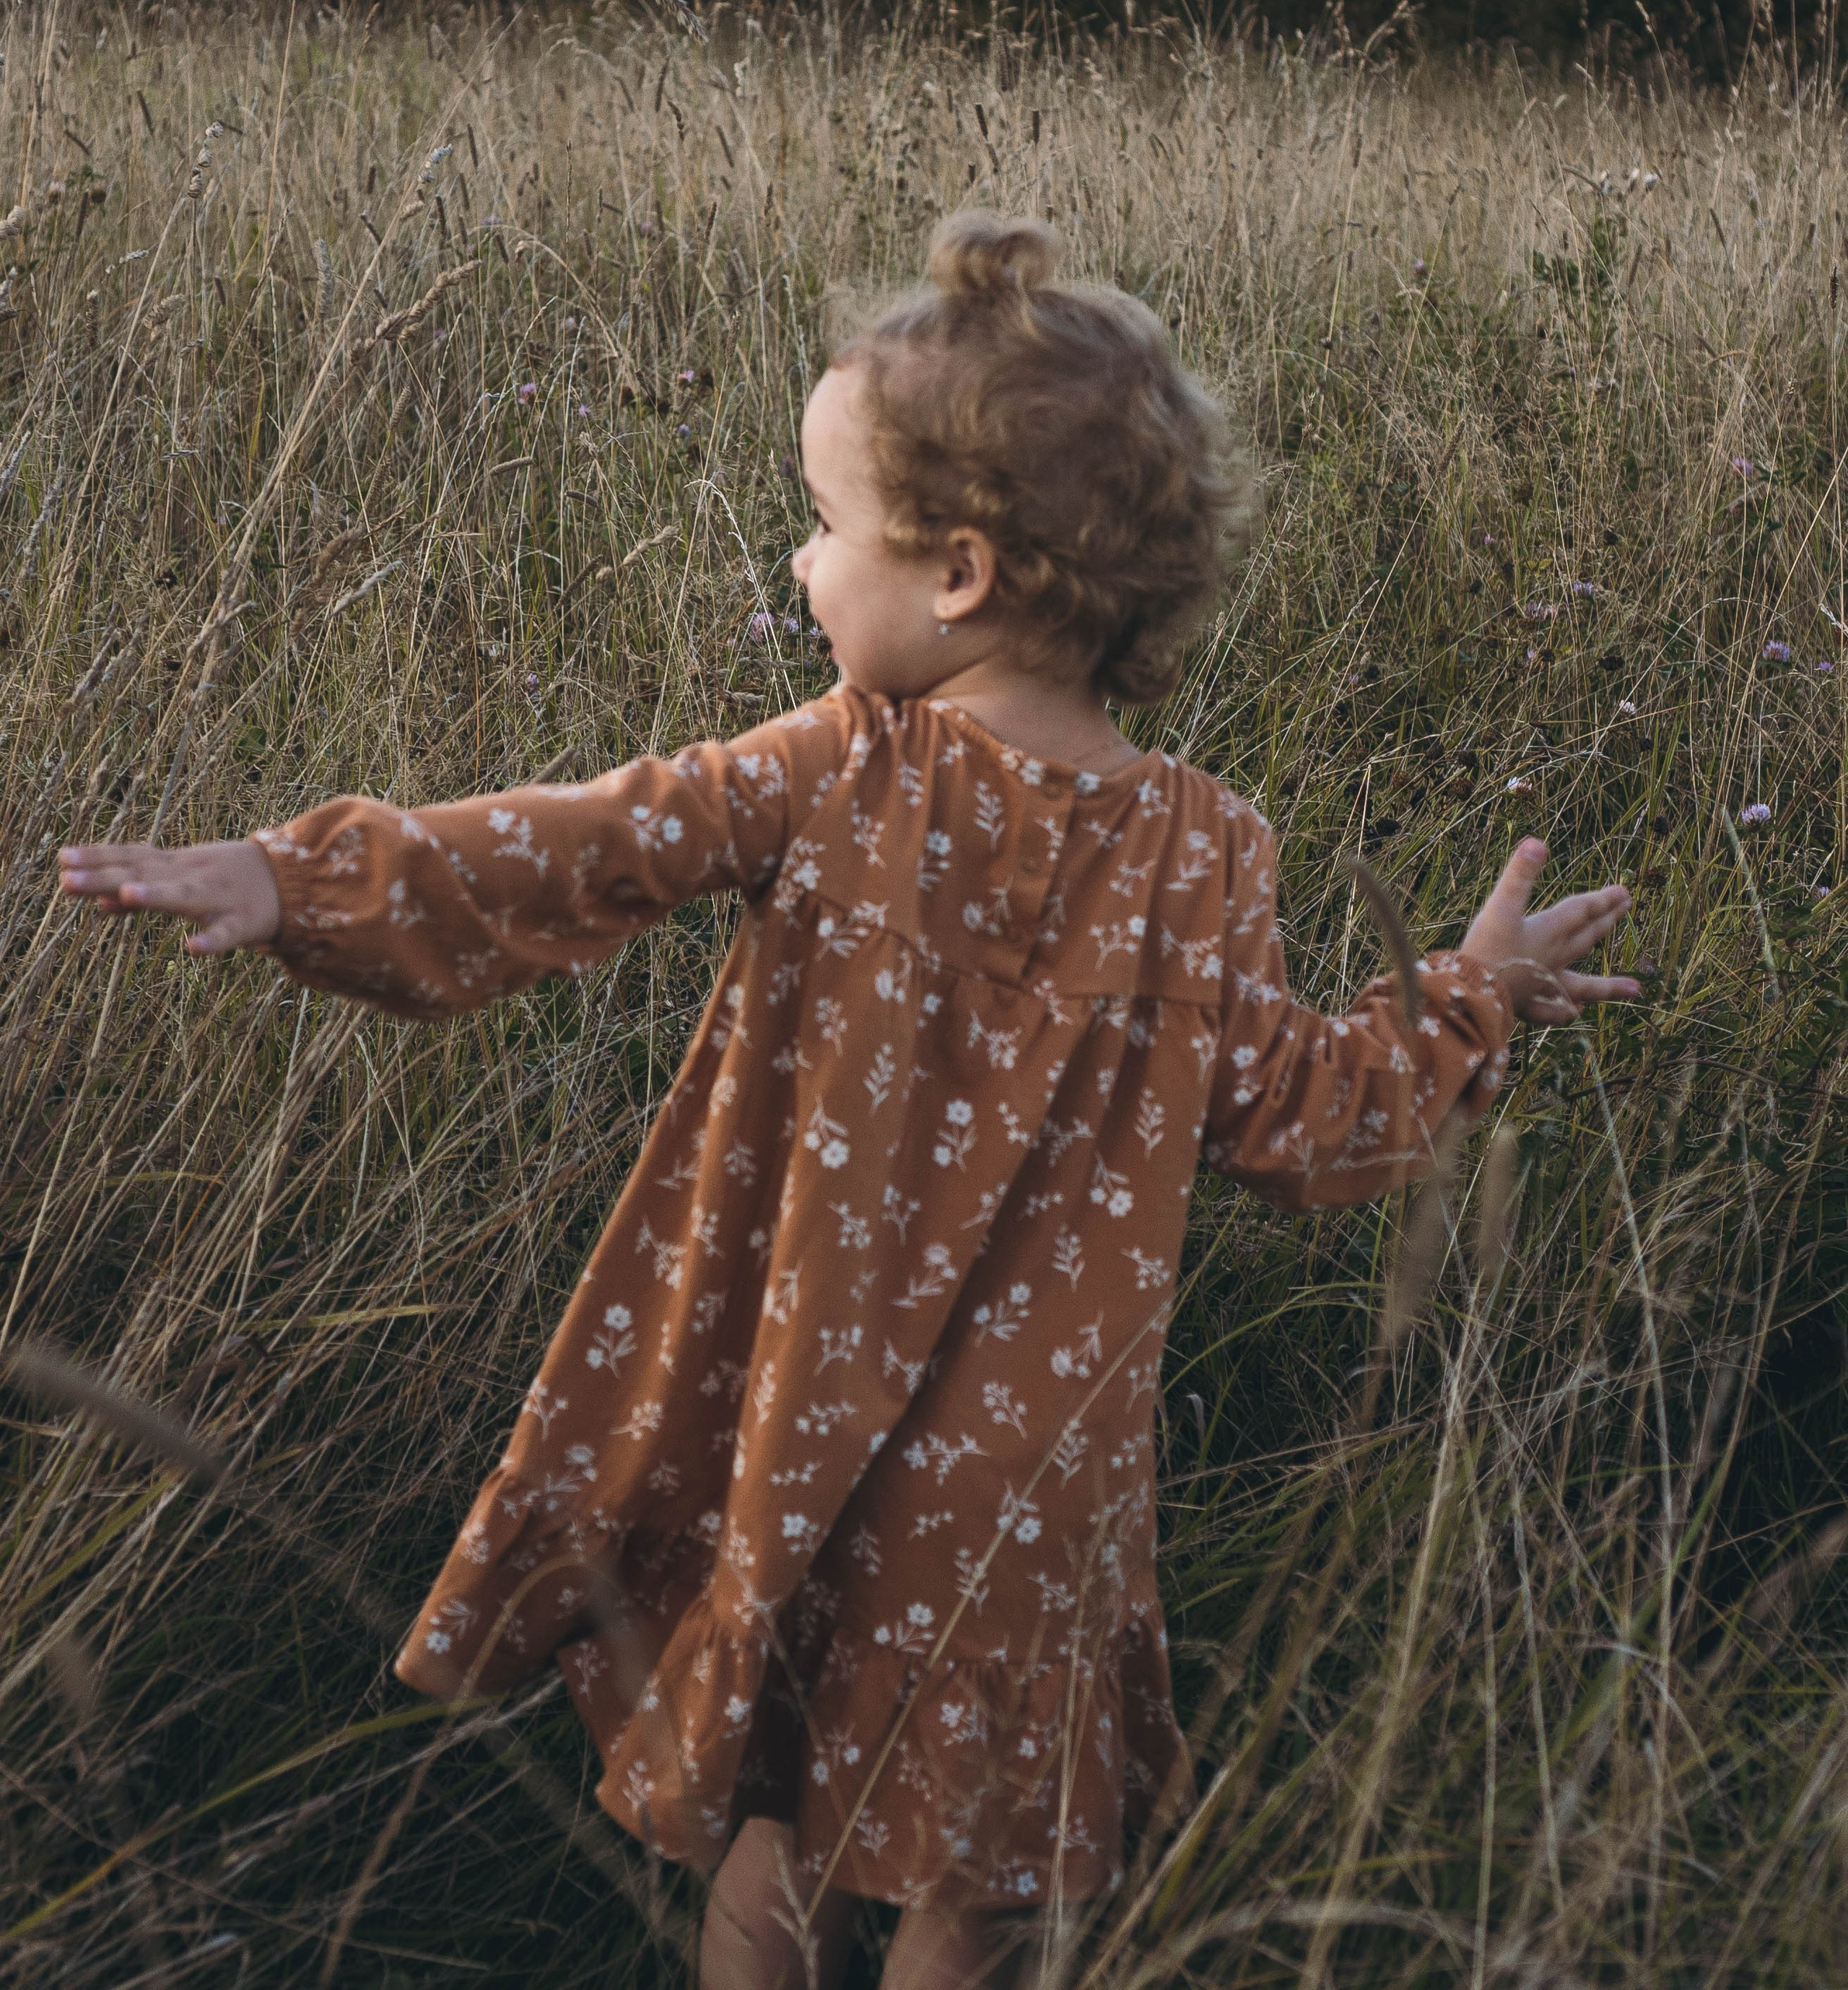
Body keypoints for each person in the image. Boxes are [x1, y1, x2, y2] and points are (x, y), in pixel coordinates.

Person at [58, 213, 1638, 1990]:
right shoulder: (1206, 848)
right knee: (984, 1877)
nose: (803, 566)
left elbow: (587, 839)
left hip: (799, 1433)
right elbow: (1311, 1120)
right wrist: (1466, 1000)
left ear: (955, 571)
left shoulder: (838, 768)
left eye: (825, 525)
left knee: (781, 1829)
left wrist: (300, 881)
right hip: (1036, 1504)